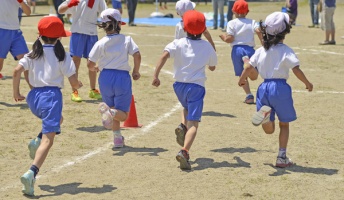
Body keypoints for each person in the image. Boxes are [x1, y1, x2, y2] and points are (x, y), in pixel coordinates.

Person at [14, 16, 83, 196]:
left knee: (57, 119)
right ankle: (32, 173)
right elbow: (74, 82)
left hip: (33, 98)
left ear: (40, 35)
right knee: (49, 140)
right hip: (51, 98)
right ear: (59, 37)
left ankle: (36, 141)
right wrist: (78, 85)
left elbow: (17, 71)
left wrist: (16, 92)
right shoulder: (64, 56)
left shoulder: (33, 53)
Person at [238, 12, 313, 168]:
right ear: (285, 31)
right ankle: (281, 157)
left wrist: (242, 79)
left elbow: (249, 67)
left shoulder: (260, 50)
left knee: (269, 130)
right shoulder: (286, 50)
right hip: (280, 88)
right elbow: (296, 69)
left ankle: (266, 116)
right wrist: (307, 82)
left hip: (263, 88)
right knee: (284, 125)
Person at [152, 10, 217, 170]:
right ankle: (185, 151)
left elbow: (163, 56)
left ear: (185, 28)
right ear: (203, 29)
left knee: (186, 107)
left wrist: (156, 75)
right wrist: (209, 43)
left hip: (179, 86)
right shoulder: (206, 46)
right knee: (194, 123)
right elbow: (213, 66)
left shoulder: (177, 43)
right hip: (196, 87)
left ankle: (182, 126)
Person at [88, 8, 141, 148]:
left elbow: (90, 63)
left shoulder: (100, 42)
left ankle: (117, 139)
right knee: (122, 114)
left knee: (113, 109)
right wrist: (136, 71)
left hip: (105, 77)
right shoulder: (127, 40)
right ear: (118, 24)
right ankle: (110, 113)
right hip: (121, 77)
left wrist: (95, 68)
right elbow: (137, 55)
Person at [58, 0, 107, 102]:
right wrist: (69, 4)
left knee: (92, 61)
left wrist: (108, 22)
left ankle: (93, 90)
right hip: (77, 32)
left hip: (92, 33)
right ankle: (74, 92)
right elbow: (60, 10)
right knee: (76, 61)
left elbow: (105, 12)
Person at [219, 0, 262, 104]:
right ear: (247, 12)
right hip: (250, 49)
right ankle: (249, 66)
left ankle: (249, 95)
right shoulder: (252, 22)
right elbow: (258, 31)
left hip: (237, 50)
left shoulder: (231, 23)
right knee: (254, 77)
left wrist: (224, 38)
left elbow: (230, 38)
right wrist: (263, 42)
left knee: (242, 75)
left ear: (233, 11)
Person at [0, 1, 31, 80]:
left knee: (27, 61)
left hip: (16, 32)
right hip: (1, 30)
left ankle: (34, 91)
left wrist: (21, 2)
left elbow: (28, 12)